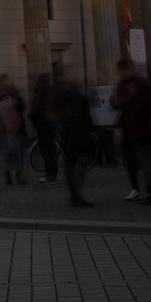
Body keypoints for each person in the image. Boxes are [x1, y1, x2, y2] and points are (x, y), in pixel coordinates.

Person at [112, 60, 151, 202]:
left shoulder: (140, 83)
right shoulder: (121, 84)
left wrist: (121, 100)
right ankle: (136, 189)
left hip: (141, 126)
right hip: (127, 127)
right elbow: (117, 103)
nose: (121, 74)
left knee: (145, 160)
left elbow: (144, 103)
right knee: (130, 161)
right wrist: (115, 101)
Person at [52, 72, 95, 207]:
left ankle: (74, 194)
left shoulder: (62, 97)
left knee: (71, 165)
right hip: (76, 134)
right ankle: (75, 194)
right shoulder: (74, 98)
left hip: (69, 134)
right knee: (77, 165)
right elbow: (85, 116)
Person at [29, 73, 59, 183]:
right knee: (51, 150)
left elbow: (37, 110)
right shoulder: (52, 91)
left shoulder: (42, 93)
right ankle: (52, 174)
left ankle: (49, 175)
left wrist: (30, 116)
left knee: (47, 151)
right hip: (51, 124)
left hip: (44, 125)